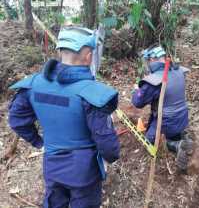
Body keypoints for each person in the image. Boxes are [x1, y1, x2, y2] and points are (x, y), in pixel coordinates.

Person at [8, 26, 120, 208]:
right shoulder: (91, 93)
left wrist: (40, 142)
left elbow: (16, 120)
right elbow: (108, 144)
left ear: (60, 51)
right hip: (85, 173)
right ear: (89, 56)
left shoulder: (33, 85)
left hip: (52, 167)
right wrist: (110, 158)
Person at [131, 45, 193, 170]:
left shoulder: (155, 80)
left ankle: (176, 145)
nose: (147, 64)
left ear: (152, 60)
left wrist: (136, 91)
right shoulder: (179, 71)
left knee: (149, 142)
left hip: (165, 122)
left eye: (148, 61)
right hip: (182, 118)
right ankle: (182, 135)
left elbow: (138, 102)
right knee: (171, 122)